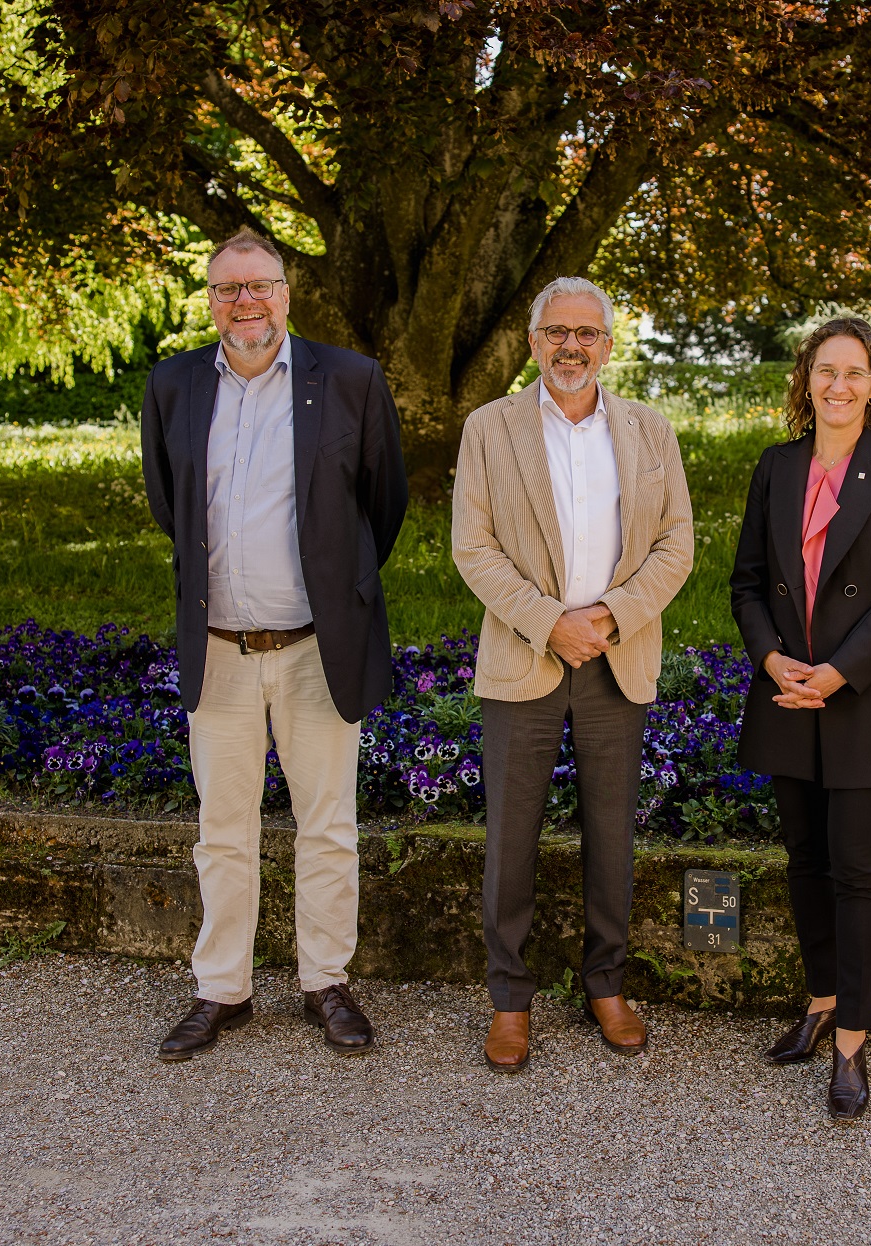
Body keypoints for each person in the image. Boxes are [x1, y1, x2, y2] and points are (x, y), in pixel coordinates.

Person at [141, 226, 408, 1061]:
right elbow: (167, 504)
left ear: (286, 295)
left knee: (327, 823)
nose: (244, 302)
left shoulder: (353, 381)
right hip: (218, 645)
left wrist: (334, 589)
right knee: (222, 827)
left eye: (259, 286)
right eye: (227, 289)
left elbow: (383, 504)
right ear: (212, 302)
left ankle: (326, 981)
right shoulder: (176, 385)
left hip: (314, 646)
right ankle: (222, 988)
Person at [450, 276, 695, 1073]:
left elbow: (676, 545)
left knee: (612, 836)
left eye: (587, 334)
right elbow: (472, 547)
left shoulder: (650, 430)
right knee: (510, 839)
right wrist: (549, 620)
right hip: (526, 656)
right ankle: (510, 999)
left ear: (609, 346)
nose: (571, 347)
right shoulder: (490, 428)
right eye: (556, 332)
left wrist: (611, 616)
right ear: (533, 343)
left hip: (615, 658)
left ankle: (606, 983)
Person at [729, 317, 871, 1120]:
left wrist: (839, 672)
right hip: (787, 694)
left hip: (864, 698)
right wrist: (773, 660)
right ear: (806, 380)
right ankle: (820, 1000)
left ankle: (853, 1039)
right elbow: (748, 582)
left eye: (855, 372)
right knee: (804, 860)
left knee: (857, 869)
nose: (839, 386)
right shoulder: (777, 466)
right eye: (826, 371)